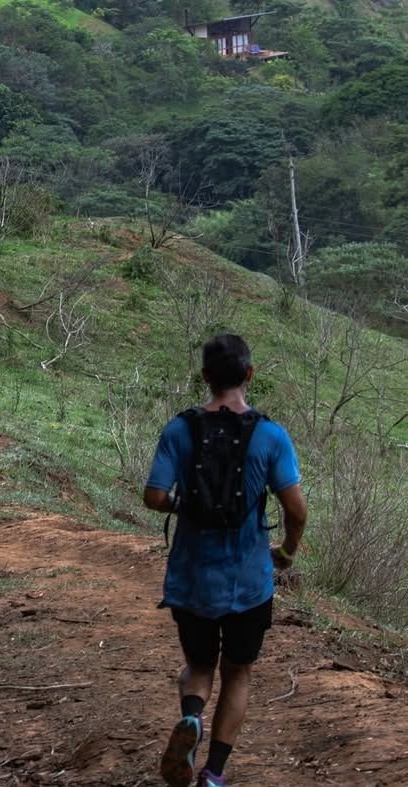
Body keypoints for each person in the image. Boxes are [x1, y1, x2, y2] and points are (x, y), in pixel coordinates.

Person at [144, 334, 307, 787]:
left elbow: (154, 496)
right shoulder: (271, 436)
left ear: (205, 378)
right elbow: (296, 510)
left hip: (192, 575)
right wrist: (287, 552)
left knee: (199, 666)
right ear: (250, 375)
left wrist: (185, 507)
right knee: (238, 671)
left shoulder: (180, 429)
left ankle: (192, 718)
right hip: (250, 579)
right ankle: (213, 775)